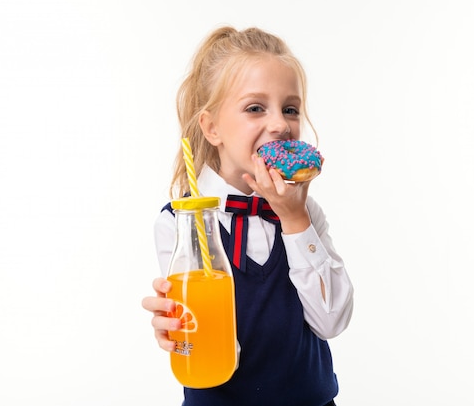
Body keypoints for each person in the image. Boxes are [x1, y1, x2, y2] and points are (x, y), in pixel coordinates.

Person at [141, 26, 354, 406]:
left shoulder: (307, 214)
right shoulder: (179, 222)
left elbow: (332, 321)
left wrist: (294, 219)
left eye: (290, 109)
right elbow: (218, 356)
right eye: (256, 108)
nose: (279, 125)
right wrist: (181, 332)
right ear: (212, 128)